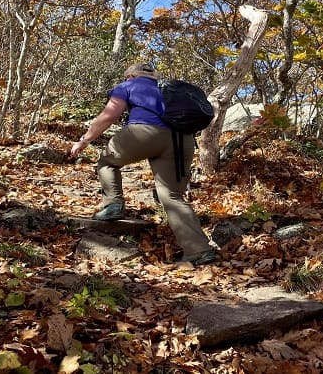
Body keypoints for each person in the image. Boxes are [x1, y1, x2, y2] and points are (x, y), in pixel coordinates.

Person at [69, 63, 217, 265]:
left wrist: (85, 140)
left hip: (144, 133)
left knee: (106, 161)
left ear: (129, 76)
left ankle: (113, 205)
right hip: (182, 140)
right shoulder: (167, 88)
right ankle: (199, 251)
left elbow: (109, 116)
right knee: (172, 196)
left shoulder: (128, 85)